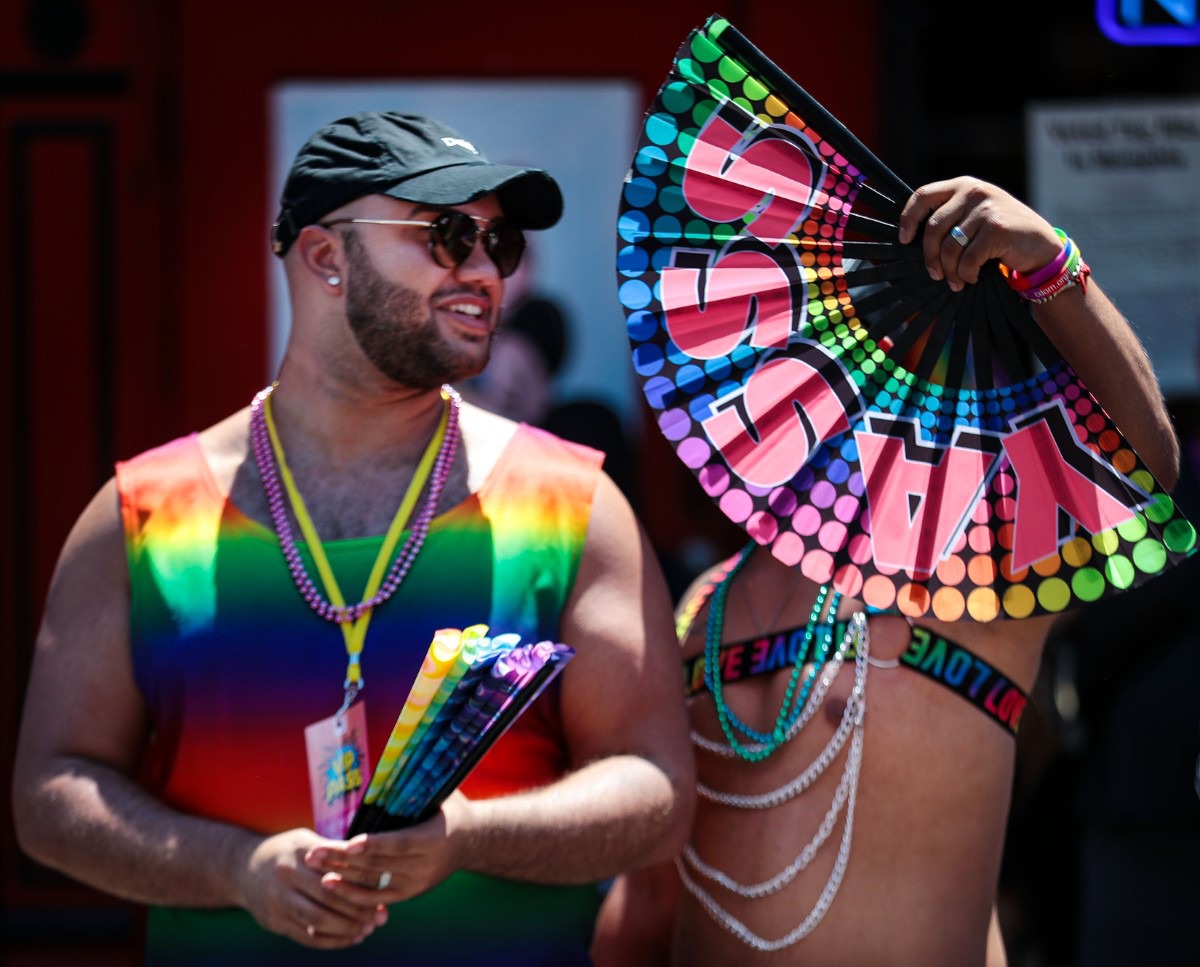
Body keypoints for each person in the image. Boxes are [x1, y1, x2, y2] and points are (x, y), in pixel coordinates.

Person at [12, 111, 694, 965]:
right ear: (327, 256)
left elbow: (658, 791)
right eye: (448, 235)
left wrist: (467, 835)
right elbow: (49, 794)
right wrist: (235, 868)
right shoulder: (142, 515)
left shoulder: (576, 506)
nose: (485, 271)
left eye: (500, 244)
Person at [590, 177, 1182, 966]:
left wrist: (1051, 265)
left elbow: (1141, 475)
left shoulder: (969, 560)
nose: (774, 376)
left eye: (812, 347)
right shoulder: (703, 604)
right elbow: (648, 904)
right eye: (751, 351)